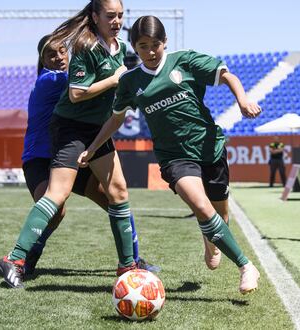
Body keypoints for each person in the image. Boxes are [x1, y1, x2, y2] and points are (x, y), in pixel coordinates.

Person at [78, 15, 262, 294]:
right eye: (143, 46)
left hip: (209, 147)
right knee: (201, 207)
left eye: (155, 45)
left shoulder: (184, 61)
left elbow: (227, 75)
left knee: (219, 215)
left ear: (165, 42)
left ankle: (209, 235)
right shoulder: (130, 81)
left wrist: (243, 99)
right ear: (134, 48)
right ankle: (246, 267)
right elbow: (115, 119)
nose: (151, 52)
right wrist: (92, 148)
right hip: (174, 157)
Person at [0, 0, 149, 289]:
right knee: (58, 195)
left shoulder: (120, 49)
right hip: (71, 130)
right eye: (110, 16)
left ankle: (128, 266)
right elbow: (77, 93)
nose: (117, 21)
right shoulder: (85, 45)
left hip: (97, 130)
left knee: (118, 192)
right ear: (95, 16)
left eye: (120, 15)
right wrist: (116, 79)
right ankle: (15, 258)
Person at [20, 34, 158, 276]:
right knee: (56, 210)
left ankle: (133, 260)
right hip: (40, 157)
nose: (59, 57)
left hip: (69, 149)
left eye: (63, 51)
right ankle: (25, 259)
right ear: (41, 60)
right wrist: (120, 74)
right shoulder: (50, 80)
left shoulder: (71, 72)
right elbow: (82, 88)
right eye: (51, 54)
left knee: (114, 198)